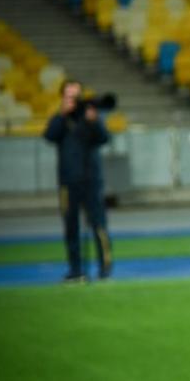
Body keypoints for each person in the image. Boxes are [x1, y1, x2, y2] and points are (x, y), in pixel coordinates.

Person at [43, 79, 113, 281]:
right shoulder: (60, 119)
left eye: (76, 96)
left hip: (91, 180)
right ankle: (75, 270)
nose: (73, 100)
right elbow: (49, 136)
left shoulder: (90, 116)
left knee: (99, 225)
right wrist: (62, 114)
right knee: (71, 227)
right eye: (69, 96)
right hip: (68, 182)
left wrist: (93, 121)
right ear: (63, 98)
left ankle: (105, 269)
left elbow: (104, 138)